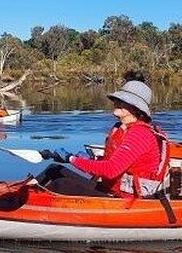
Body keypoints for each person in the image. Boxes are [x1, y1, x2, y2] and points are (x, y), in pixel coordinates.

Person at [39, 79, 171, 199]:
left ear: (136, 108)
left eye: (123, 101)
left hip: (127, 199)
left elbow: (111, 170)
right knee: (54, 170)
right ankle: (23, 193)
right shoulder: (122, 128)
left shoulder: (139, 134)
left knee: (61, 185)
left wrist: (71, 159)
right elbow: (117, 162)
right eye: (117, 100)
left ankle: (30, 205)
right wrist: (93, 159)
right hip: (111, 190)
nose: (116, 103)